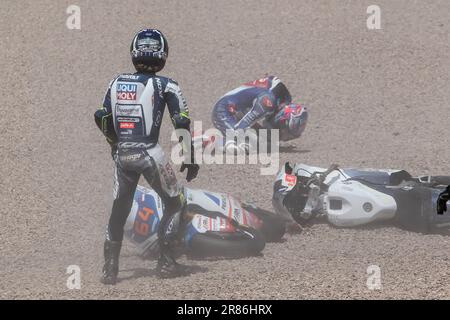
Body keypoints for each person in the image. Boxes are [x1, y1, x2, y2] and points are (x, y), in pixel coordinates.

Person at [94, 28, 199, 285]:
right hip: (150, 153)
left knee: (120, 208)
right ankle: (166, 262)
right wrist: (189, 156)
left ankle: (110, 269)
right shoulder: (167, 85)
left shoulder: (115, 81)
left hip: (123, 155)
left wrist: (113, 143)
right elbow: (181, 121)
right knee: (175, 203)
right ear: (163, 55)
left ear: (134, 52)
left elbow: (101, 117)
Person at [211, 76, 308, 151]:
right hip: (224, 110)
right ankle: (203, 140)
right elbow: (240, 127)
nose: (282, 137)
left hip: (238, 112)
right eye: (284, 133)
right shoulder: (267, 102)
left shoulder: (279, 100)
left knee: (262, 143)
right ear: (281, 120)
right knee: (240, 144)